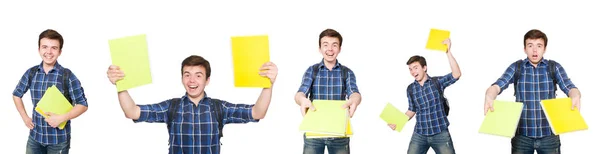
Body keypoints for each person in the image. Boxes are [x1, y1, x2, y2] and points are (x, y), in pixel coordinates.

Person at [106, 55, 277, 154]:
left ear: (207, 80)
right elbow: (132, 112)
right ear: (182, 78)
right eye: (187, 75)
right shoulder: (171, 107)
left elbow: (257, 112)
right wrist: (120, 85)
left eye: (198, 75)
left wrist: (268, 84)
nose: (192, 80)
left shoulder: (219, 108)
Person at [484, 29, 580, 154]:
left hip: (549, 136)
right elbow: (498, 85)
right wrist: (489, 95)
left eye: (539, 46)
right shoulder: (516, 67)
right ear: (525, 49)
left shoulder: (554, 67)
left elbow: (569, 87)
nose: (534, 50)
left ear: (544, 49)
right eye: (530, 46)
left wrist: (575, 95)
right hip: (522, 137)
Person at [12, 29, 89, 154]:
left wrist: (62, 118)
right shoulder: (31, 73)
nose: (48, 52)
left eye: (54, 48)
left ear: (60, 52)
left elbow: (83, 104)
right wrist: (25, 117)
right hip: (35, 138)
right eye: (45, 47)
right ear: (39, 49)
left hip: (58, 141)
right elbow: (16, 94)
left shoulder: (67, 75)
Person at [294, 28, 362, 154]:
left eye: (334, 45)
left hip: (339, 133)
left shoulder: (346, 72)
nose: (330, 49)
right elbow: (300, 93)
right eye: (325, 45)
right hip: (314, 131)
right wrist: (302, 100)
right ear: (320, 48)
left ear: (340, 49)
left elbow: (355, 93)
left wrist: (354, 100)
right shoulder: (312, 70)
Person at [388, 38, 461, 154]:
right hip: (420, 134)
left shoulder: (437, 82)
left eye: (415, 67)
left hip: (440, 133)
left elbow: (456, 74)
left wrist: (448, 52)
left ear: (424, 68)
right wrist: (397, 121)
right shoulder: (411, 89)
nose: (412, 72)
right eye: (410, 69)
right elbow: (412, 110)